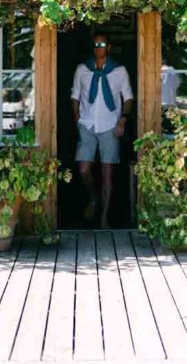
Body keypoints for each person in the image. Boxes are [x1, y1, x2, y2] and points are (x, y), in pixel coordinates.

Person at [71, 33, 133, 228]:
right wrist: (77, 120)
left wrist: (122, 120)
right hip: (87, 124)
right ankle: (93, 198)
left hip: (110, 126)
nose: (99, 47)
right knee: (83, 169)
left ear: (109, 47)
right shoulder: (82, 70)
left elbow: (128, 98)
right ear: (93, 47)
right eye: (96, 44)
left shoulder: (120, 71)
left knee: (107, 173)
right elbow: (74, 96)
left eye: (102, 44)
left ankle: (104, 216)